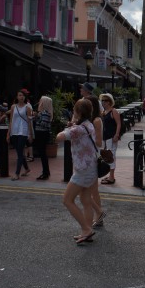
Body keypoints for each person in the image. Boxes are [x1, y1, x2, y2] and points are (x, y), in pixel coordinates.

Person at [56, 99, 97, 244]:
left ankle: (86, 229)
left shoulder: (77, 129)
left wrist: (71, 125)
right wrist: (74, 123)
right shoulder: (88, 125)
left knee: (67, 200)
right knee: (85, 201)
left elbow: (59, 137)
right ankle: (86, 231)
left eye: (74, 111)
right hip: (91, 168)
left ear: (78, 113)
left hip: (82, 171)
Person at [84, 96, 106, 229]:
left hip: (92, 157)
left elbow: (99, 142)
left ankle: (98, 215)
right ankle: (98, 215)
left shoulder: (97, 120)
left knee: (91, 190)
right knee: (90, 189)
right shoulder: (88, 120)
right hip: (86, 158)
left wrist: (84, 134)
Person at [7, 90, 34, 180]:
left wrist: (30, 134)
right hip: (14, 131)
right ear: (17, 97)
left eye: (22, 95)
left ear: (25, 97)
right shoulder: (13, 107)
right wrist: (8, 133)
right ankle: (27, 168)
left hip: (23, 131)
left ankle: (17, 173)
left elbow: (30, 122)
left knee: (19, 153)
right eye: (19, 95)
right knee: (19, 152)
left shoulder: (27, 108)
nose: (21, 97)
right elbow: (11, 120)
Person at [100, 93, 121, 185]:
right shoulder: (103, 112)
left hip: (111, 137)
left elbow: (118, 123)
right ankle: (110, 175)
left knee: (111, 156)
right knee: (106, 156)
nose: (103, 102)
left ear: (109, 102)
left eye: (105, 101)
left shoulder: (114, 111)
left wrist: (116, 135)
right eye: (102, 100)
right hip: (104, 137)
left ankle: (111, 177)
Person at [33, 95, 53, 180]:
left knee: (43, 154)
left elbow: (43, 124)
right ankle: (46, 172)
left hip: (42, 134)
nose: (39, 102)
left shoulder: (44, 112)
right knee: (43, 154)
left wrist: (37, 116)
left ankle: (45, 173)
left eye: (41, 101)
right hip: (42, 134)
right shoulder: (44, 112)